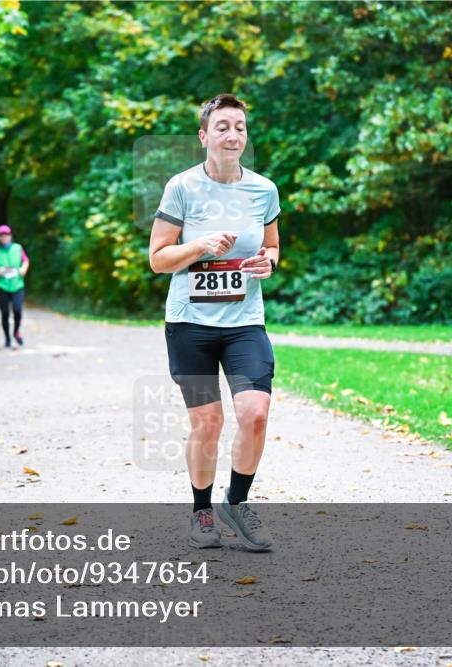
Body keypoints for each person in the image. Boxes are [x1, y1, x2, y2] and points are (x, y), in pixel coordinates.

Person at [148, 94, 281, 551]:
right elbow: (158, 259)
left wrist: (268, 263)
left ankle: (237, 502)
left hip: (245, 322)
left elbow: (273, 247)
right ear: (205, 136)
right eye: (222, 126)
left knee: (255, 414)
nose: (233, 134)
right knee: (208, 422)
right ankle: (201, 510)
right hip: (191, 326)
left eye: (240, 126)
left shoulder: (264, 189)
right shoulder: (181, 187)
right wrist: (200, 246)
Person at [0, 224, 29, 348]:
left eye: (6, 235)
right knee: (5, 314)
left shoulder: (18, 248)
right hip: (2, 286)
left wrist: (23, 269)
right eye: (2, 235)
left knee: (17, 310)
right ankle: (7, 338)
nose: (4, 237)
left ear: (10, 236)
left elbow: (25, 260)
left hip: (17, 284)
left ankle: (16, 332)